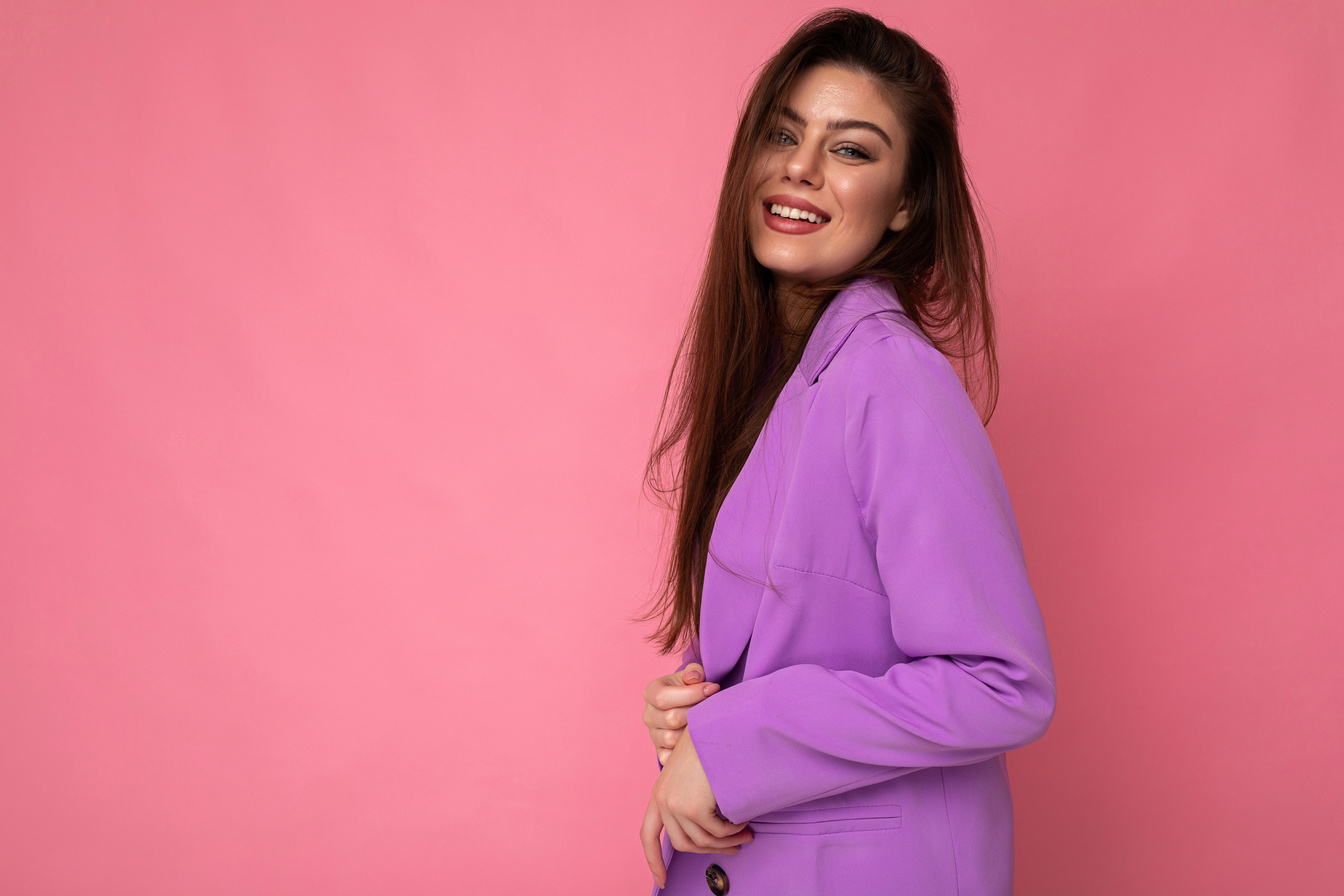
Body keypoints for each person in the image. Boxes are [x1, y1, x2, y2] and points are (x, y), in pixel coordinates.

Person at [636, 8, 1056, 896]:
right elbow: (810, 620)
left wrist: (737, 742)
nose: (800, 166)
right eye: (784, 132)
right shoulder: (781, 379)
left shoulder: (891, 380)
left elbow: (1000, 681)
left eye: (852, 149)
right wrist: (694, 710)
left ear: (907, 202)